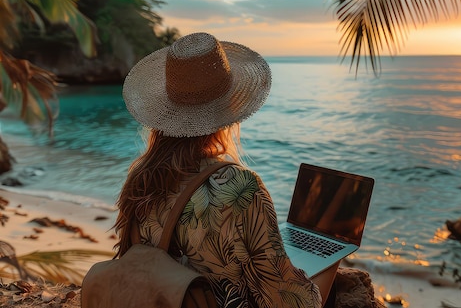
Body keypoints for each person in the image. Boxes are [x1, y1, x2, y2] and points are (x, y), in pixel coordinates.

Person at [113, 32, 325, 308]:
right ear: (229, 108)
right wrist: (314, 284)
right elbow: (282, 297)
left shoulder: (140, 178)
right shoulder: (240, 186)